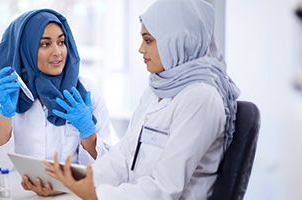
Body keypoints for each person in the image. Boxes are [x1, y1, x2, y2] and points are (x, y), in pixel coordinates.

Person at [44, 0, 240, 199]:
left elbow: (164, 188)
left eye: (148, 40)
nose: (140, 49)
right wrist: (68, 183)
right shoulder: (156, 90)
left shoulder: (202, 98)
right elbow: (122, 158)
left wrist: (96, 196)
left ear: (178, 40)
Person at [0, 9, 112, 196]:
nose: (57, 52)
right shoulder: (4, 95)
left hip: (73, 195)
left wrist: (88, 134)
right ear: (25, 49)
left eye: (61, 42)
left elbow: (109, 170)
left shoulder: (85, 92)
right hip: (21, 194)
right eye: (45, 44)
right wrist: (6, 115)